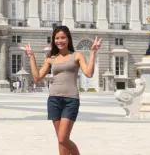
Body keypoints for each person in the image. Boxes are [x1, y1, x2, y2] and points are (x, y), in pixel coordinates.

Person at [23, 26, 102, 155]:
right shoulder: (51, 58)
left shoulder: (77, 55)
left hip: (71, 100)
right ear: (54, 40)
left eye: (63, 38)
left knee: (63, 138)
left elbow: (88, 73)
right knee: (61, 141)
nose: (60, 41)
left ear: (68, 39)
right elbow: (37, 77)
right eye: (57, 38)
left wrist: (93, 52)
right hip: (54, 100)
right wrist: (31, 57)